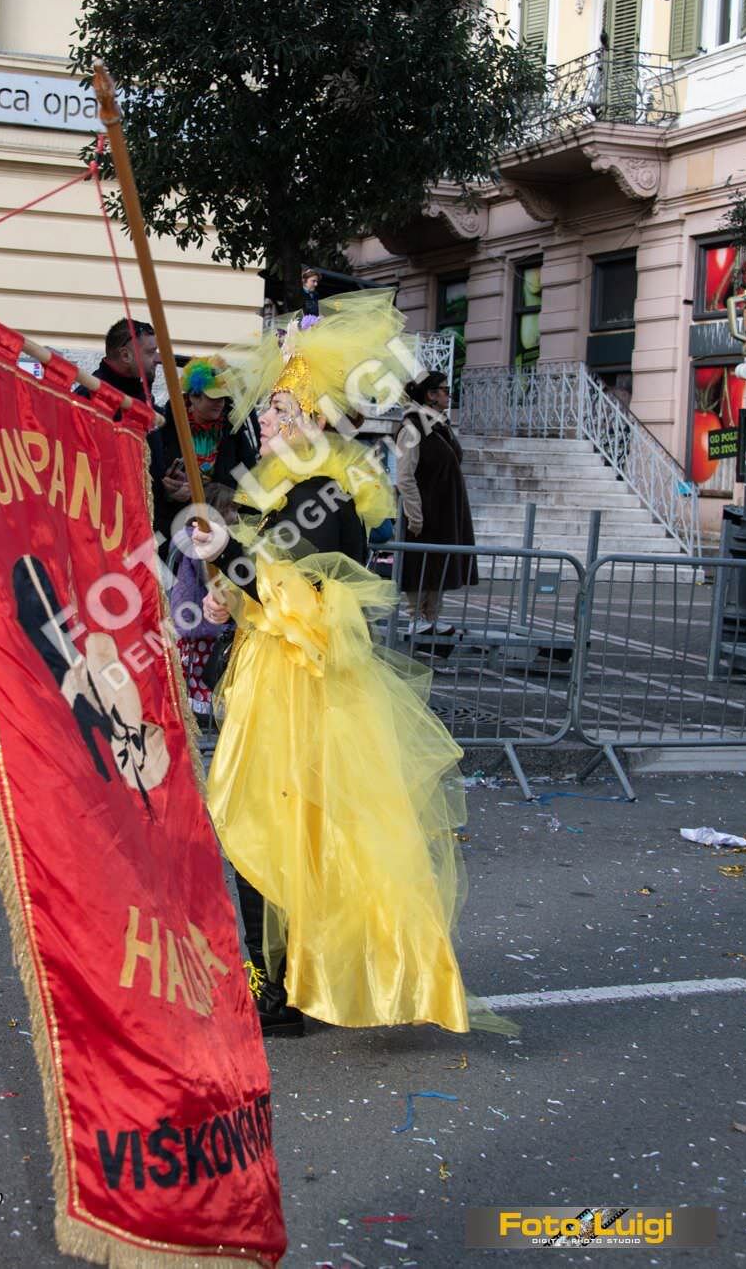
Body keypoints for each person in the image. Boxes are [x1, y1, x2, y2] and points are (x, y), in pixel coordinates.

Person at [192, 291, 480, 1040]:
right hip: (275, 685)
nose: (264, 422)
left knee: (275, 834)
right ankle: (282, 979)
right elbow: (265, 582)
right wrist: (227, 594)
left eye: (280, 411)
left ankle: (281, 990)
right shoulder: (288, 489)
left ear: (314, 422)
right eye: (267, 411)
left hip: (300, 696)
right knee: (272, 835)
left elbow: (310, 600)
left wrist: (230, 560)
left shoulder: (322, 495)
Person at [156, 356, 258, 715]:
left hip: (219, 532)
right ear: (192, 397)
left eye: (224, 397)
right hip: (172, 533)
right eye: (213, 397)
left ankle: (207, 683)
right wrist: (168, 489)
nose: (220, 403)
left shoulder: (233, 429)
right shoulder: (166, 425)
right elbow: (151, 473)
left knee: (213, 606)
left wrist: (218, 492)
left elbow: (248, 478)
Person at [394, 370, 478, 636]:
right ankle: (415, 616)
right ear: (430, 395)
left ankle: (431, 615)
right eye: (445, 390)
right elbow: (405, 475)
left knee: (440, 563)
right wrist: (415, 514)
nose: (448, 396)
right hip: (425, 509)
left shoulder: (439, 424)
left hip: (445, 509)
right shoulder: (412, 427)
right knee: (420, 563)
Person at [94, 318, 160, 404]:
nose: (158, 359)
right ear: (125, 355)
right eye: (150, 352)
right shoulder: (95, 396)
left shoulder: (132, 384)